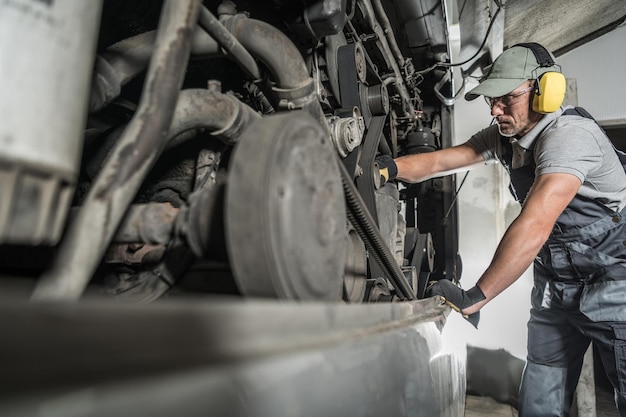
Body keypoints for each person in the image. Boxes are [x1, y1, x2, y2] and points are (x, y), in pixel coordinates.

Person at [377, 43, 626, 416]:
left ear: (545, 91)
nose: (496, 110)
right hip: (555, 291)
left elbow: (535, 224)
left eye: (507, 98)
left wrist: (477, 295)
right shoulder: (504, 138)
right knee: (539, 403)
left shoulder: (569, 136)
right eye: (491, 100)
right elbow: (442, 160)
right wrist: (388, 169)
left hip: (614, 286)